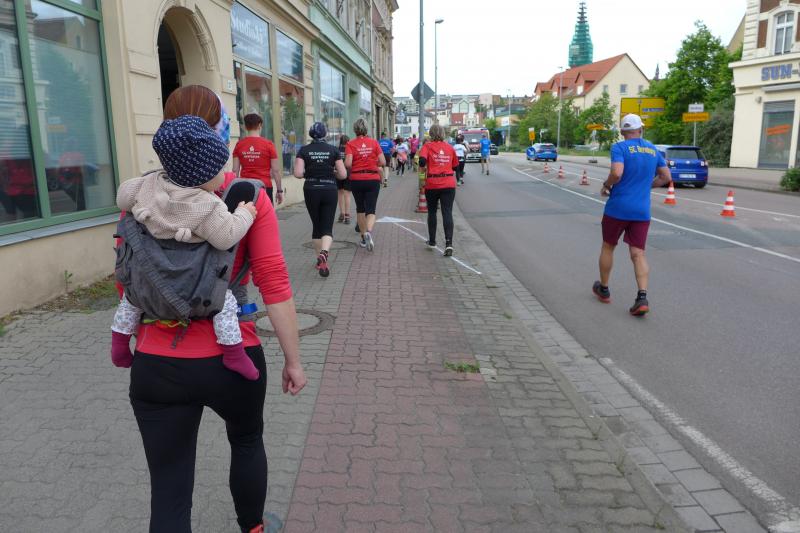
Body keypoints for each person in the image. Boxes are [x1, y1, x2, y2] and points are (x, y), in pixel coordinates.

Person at [114, 84, 306, 533]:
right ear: (220, 132)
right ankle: (253, 527)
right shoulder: (247, 195)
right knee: (247, 440)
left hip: (157, 360)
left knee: (169, 485)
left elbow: (127, 279)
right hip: (231, 356)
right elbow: (274, 282)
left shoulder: (140, 196)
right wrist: (294, 361)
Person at [112, 114, 261, 381]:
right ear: (201, 175)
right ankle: (234, 353)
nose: (223, 175)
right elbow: (226, 236)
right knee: (226, 302)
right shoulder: (206, 206)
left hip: (150, 276)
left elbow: (122, 197)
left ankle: (120, 345)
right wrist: (245, 214)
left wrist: (146, 187)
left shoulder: (146, 185)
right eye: (219, 170)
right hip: (194, 283)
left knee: (132, 298)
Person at [593, 114, 672, 316]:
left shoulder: (619, 148)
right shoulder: (653, 149)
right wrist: (647, 186)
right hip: (641, 211)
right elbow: (666, 177)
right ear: (641, 129)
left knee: (608, 246)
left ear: (622, 131)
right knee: (638, 254)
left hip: (618, 208)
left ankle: (604, 289)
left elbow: (617, 173)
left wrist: (606, 185)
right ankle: (642, 297)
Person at [294, 122, 347, 277]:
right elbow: (343, 174)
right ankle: (324, 252)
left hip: (311, 189)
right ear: (325, 134)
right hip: (329, 189)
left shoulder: (304, 150)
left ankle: (320, 260)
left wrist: (309, 173)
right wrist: (332, 173)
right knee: (327, 227)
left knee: (317, 226)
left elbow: (298, 173)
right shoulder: (333, 150)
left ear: (311, 134)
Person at [345, 118, 386, 251]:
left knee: (360, 209)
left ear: (355, 129)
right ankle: (368, 231)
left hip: (356, 179)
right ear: (366, 129)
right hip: (372, 179)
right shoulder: (374, 142)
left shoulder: (350, 144)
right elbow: (383, 162)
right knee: (371, 210)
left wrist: (356, 164)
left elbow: (348, 164)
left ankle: (363, 238)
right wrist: (373, 163)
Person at [419, 124, 459, 257]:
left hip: (433, 183)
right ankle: (449, 244)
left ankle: (432, 241)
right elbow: (455, 166)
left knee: (432, 212)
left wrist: (425, 165)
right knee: (447, 212)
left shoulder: (427, 146)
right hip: (448, 183)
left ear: (430, 134)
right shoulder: (450, 147)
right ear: (443, 134)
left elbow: (422, 162)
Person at [232, 113, 283, 205]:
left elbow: (235, 170)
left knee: (247, 213)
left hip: (245, 186)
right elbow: (276, 170)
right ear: (260, 125)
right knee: (265, 213)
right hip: (264, 186)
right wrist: (279, 190)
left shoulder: (239, 144)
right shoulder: (269, 145)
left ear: (245, 127)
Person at [336, 134, 352, 225]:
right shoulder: (350, 149)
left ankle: (341, 213)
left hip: (338, 173)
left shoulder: (337, 150)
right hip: (348, 173)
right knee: (347, 195)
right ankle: (347, 216)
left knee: (340, 194)